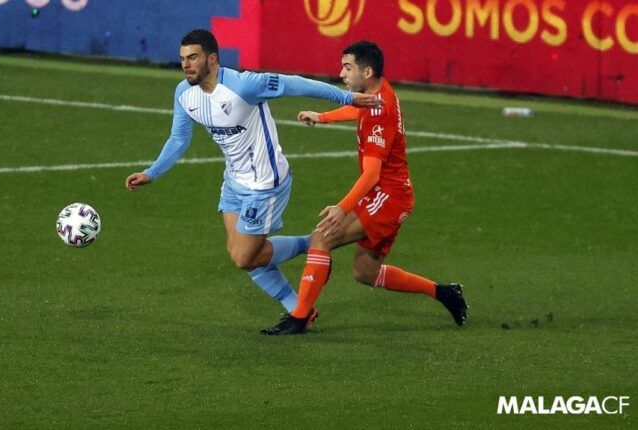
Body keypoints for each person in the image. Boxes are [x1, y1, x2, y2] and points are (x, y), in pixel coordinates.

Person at [125, 29, 382, 321]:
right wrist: (152, 172)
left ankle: (314, 244)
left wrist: (347, 98)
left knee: (245, 257)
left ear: (212, 59)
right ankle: (300, 309)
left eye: (193, 57)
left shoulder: (244, 85)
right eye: (183, 58)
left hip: (265, 184)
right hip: (234, 182)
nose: (186, 64)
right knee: (241, 254)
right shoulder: (184, 94)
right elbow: (179, 139)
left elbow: (293, 84)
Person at [261, 41, 468, 335]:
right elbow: (360, 109)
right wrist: (323, 117)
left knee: (322, 237)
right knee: (365, 272)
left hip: (388, 197)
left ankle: (299, 317)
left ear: (367, 71)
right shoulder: (379, 92)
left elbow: (371, 175)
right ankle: (444, 292)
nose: (341, 73)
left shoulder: (379, 117)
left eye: (348, 67)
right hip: (391, 195)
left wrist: (341, 208)